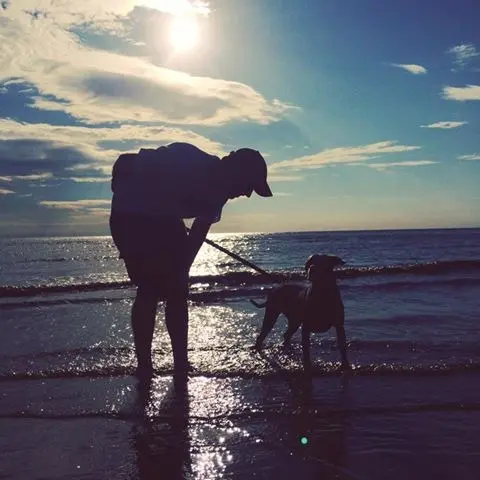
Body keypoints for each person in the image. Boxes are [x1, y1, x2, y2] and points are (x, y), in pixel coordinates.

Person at [109, 142, 272, 384]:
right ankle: (145, 366)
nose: (247, 194)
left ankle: (180, 365)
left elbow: (198, 231)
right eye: (250, 185)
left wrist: (181, 268)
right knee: (149, 288)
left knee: (177, 290)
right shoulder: (192, 161)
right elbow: (124, 162)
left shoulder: (219, 194)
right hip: (130, 215)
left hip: (164, 219)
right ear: (238, 171)